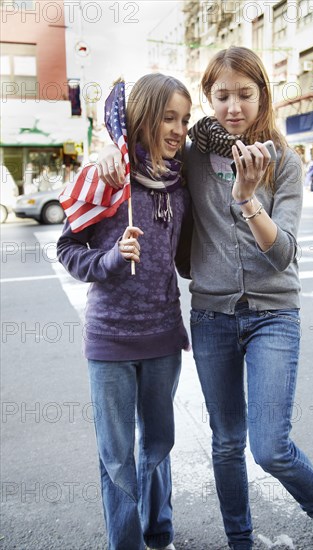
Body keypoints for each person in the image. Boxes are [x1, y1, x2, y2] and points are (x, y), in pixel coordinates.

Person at [98, 47, 313, 550]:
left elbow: (281, 253)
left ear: (263, 94)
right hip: (212, 315)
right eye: (222, 96)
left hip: (273, 315)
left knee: (271, 448)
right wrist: (107, 151)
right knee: (225, 443)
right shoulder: (195, 155)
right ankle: (240, 540)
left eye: (245, 94)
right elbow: (144, 154)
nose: (233, 106)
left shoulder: (283, 162)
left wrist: (245, 197)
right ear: (209, 99)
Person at [57, 73, 192, 550]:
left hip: (163, 338)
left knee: (158, 447)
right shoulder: (109, 178)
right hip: (110, 340)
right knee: (117, 458)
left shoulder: (181, 182)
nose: (177, 129)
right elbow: (68, 248)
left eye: (184, 119)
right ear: (145, 118)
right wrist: (109, 260)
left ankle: (160, 535)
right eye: (168, 118)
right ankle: (127, 544)